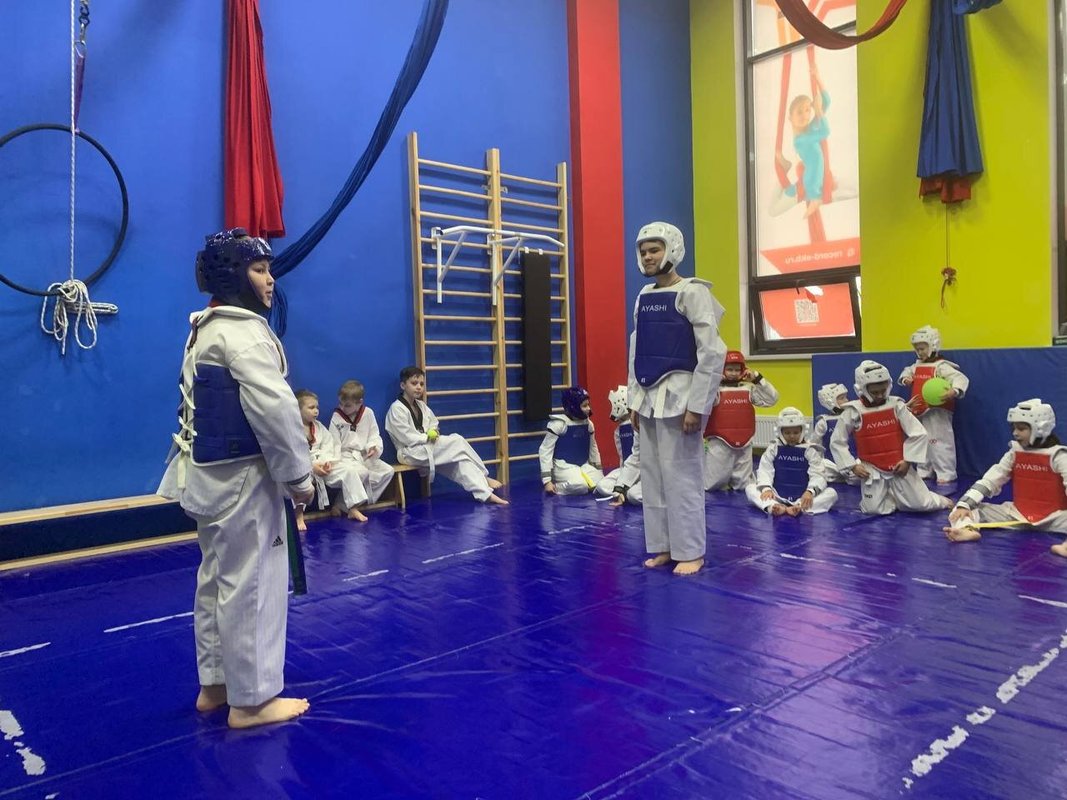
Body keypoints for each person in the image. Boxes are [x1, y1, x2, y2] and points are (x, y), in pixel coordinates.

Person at [157, 228, 313, 729]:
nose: (270, 280)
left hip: (207, 478)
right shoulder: (245, 334)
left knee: (216, 579)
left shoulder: (204, 329)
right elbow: (276, 414)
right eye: (260, 269)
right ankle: (252, 702)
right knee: (253, 585)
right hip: (244, 479)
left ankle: (216, 684)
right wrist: (300, 479)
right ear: (233, 276)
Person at [627, 221, 727, 576]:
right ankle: (664, 546)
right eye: (643, 251)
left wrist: (698, 406)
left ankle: (691, 551)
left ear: (672, 250)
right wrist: (633, 400)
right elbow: (638, 349)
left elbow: (712, 353)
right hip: (648, 398)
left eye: (654, 249)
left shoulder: (693, 292)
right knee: (652, 477)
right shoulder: (644, 295)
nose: (648, 256)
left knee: (682, 477)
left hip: (680, 399)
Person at [830, 360, 954, 515]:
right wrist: (852, 466)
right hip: (871, 469)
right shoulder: (853, 412)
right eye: (875, 392)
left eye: (883, 390)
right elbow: (837, 441)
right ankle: (892, 497)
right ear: (861, 389)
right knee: (874, 510)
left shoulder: (896, 406)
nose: (880, 395)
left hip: (899, 465)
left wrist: (907, 461)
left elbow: (918, 432)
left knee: (920, 505)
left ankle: (939, 500)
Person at [945, 399, 1067, 556]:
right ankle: (966, 530)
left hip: (1056, 518)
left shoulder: (1058, 456)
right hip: (1017, 516)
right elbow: (991, 480)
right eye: (1014, 428)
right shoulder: (1014, 453)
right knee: (962, 508)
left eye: (1021, 429)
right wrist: (965, 505)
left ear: (1040, 428)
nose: (1015, 433)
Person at [384, 366, 508, 504]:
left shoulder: (421, 406)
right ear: (403, 385)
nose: (419, 387)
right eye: (414, 383)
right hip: (409, 453)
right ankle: (484, 476)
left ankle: (485, 494)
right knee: (457, 440)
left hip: (427, 449)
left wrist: (434, 432)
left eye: (421, 384)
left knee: (460, 463)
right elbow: (405, 437)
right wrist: (427, 437)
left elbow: (433, 423)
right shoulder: (396, 409)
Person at [770, 63, 857, 218]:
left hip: (819, 182)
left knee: (856, 188)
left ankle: (791, 172)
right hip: (803, 190)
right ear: (790, 118)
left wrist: (817, 78)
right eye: (799, 112)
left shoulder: (810, 128)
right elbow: (825, 132)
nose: (805, 115)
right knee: (773, 210)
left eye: (807, 110)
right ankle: (787, 170)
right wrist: (815, 197)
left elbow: (826, 101)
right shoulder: (801, 141)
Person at [898, 325, 969, 485]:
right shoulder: (916, 366)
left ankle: (946, 472)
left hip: (937, 410)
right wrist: (906, 379)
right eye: (917, 349)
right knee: (922, 439)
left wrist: (954, 390)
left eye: (923, 348)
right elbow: (906, 372)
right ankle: (924, 469)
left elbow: (960, 378)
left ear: (933, 346)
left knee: (939, 441)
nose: (920, 352)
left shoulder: (941, 366)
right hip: (919, 409)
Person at [703, 351, 779, 492]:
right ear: (722, 369)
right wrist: (713, 381)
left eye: (737, 370)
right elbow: (701, 401)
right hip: (720, 443)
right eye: (729, 369)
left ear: (743, 370)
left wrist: (757, 378)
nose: (733, 373)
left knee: (745, 487)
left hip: (745, 443)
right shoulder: (716, 391)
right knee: (713, 485)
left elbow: (772, 399)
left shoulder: (748, 389)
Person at [295, 389, 368, 530]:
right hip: (304, 467)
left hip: (323, 464)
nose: (316, 411)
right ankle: (298, 516)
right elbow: (294, 454)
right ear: (297, 409)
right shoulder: (292, 430)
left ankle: (352, 507)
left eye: (317, 407)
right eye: (311, 408)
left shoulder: (319, 427)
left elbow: (329, 445)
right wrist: (312, 466)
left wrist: (326, 462)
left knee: (349, 471)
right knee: (300, 482)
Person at [746, 406, 837, 515]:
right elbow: (765, 470)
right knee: (750, 488)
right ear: (780, 432)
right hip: (776, 495)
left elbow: (818, 474)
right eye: (787, 433)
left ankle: (798, 507)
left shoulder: (810, 450)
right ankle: (773, 506)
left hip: (803, 496)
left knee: (831, 493)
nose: (792, 436)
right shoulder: (773, 448)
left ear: (802, 431)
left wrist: (810, 492)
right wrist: (766, 489)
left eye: (796, 432)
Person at [329, 380, 394, 506]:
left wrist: (373, 447)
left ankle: (362, 501)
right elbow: (334, 443)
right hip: (345, 457)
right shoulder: (337, 417)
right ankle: (345, 505)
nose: (342, 408)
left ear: (360, 403)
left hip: (364, 455)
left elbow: (374, 435)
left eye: (347, 405)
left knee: (387, 471)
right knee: (360, 473)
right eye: (340, 403)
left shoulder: (368, 413)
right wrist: (334, 461)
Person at [540, 386, 605, 495]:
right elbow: (545, 450)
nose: (588, 408)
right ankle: (558, 487)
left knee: (602, 484)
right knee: (580, 485)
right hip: (562, 466)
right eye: (584, 406)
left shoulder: (588, 424)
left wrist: (598, 468)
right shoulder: (559, 424)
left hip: (583, 465)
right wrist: (547, 481)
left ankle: (583, 480)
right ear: (573, 406)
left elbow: (593, 447)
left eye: (588, 405)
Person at [594, 385, 642, 506]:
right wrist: (620, 488)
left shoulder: (643, 425)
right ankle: (626, 491)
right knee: (602, 486)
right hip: (629, 469)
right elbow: (630, 458)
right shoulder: (619, 431)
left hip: (650, 472)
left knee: (633, 495)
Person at [812, 382, 858, 484]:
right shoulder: (823, 422)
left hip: (853, 462)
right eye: (841, 398)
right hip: (831, 464)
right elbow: (815, 445)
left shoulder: (853, 417)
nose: (846, 400)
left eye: (845, 397)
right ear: (830, 401)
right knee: (821, 477)